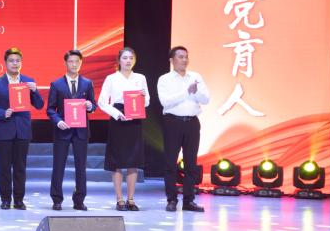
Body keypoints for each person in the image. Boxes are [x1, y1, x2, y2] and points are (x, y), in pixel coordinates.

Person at [0, 48, 44, 210]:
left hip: (23, 130)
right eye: (11, 60)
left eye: (17, 60)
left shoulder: (28, 81)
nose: (15, 63)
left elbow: (39, 105)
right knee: (4, 167)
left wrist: (35, 91)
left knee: (20, 167)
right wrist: (2, 113)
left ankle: (19, 200)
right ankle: (5, 199)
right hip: (4, 129)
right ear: (5, 63)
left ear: (21, 63)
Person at [157, 45, 210, 213]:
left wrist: (195, 92)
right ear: (172, 60)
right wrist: (187, 92)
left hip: (192, 123)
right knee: (170, 163)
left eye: (186, 56)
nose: (184, 60)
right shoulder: (165, 79)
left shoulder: (195, 77)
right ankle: (171, 200)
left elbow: (206, 99)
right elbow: (165, 101)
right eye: (180, 57)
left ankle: (189, 200)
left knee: (191, 164)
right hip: (172, 122)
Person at [97, 47, 150, 211]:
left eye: (131, 58)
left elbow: (147, 101)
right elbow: (102, 102)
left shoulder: (140, 78)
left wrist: (143, 97)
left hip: (135, 118)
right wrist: (116, 114)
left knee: (133, 161)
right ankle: (119, 199)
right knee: (117, 161)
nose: (128, 61)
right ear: (119, 60)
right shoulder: (111, 78)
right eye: (125, 58)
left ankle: (131, 199)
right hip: (118, 118)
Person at [46, 49, 97, 211]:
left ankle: (79, 200)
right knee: (58, 166)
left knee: (81, 167)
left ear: (81, 63)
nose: (74, 64)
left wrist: (90, 106)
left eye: (77, 62)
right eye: (71, 61)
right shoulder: (56, 84)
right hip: (63, 130)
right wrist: (58, 121)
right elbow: (50, 109)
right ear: (65, 63)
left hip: (81, 131)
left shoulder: (87, 83)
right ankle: (57, 199)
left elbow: (93, 105)